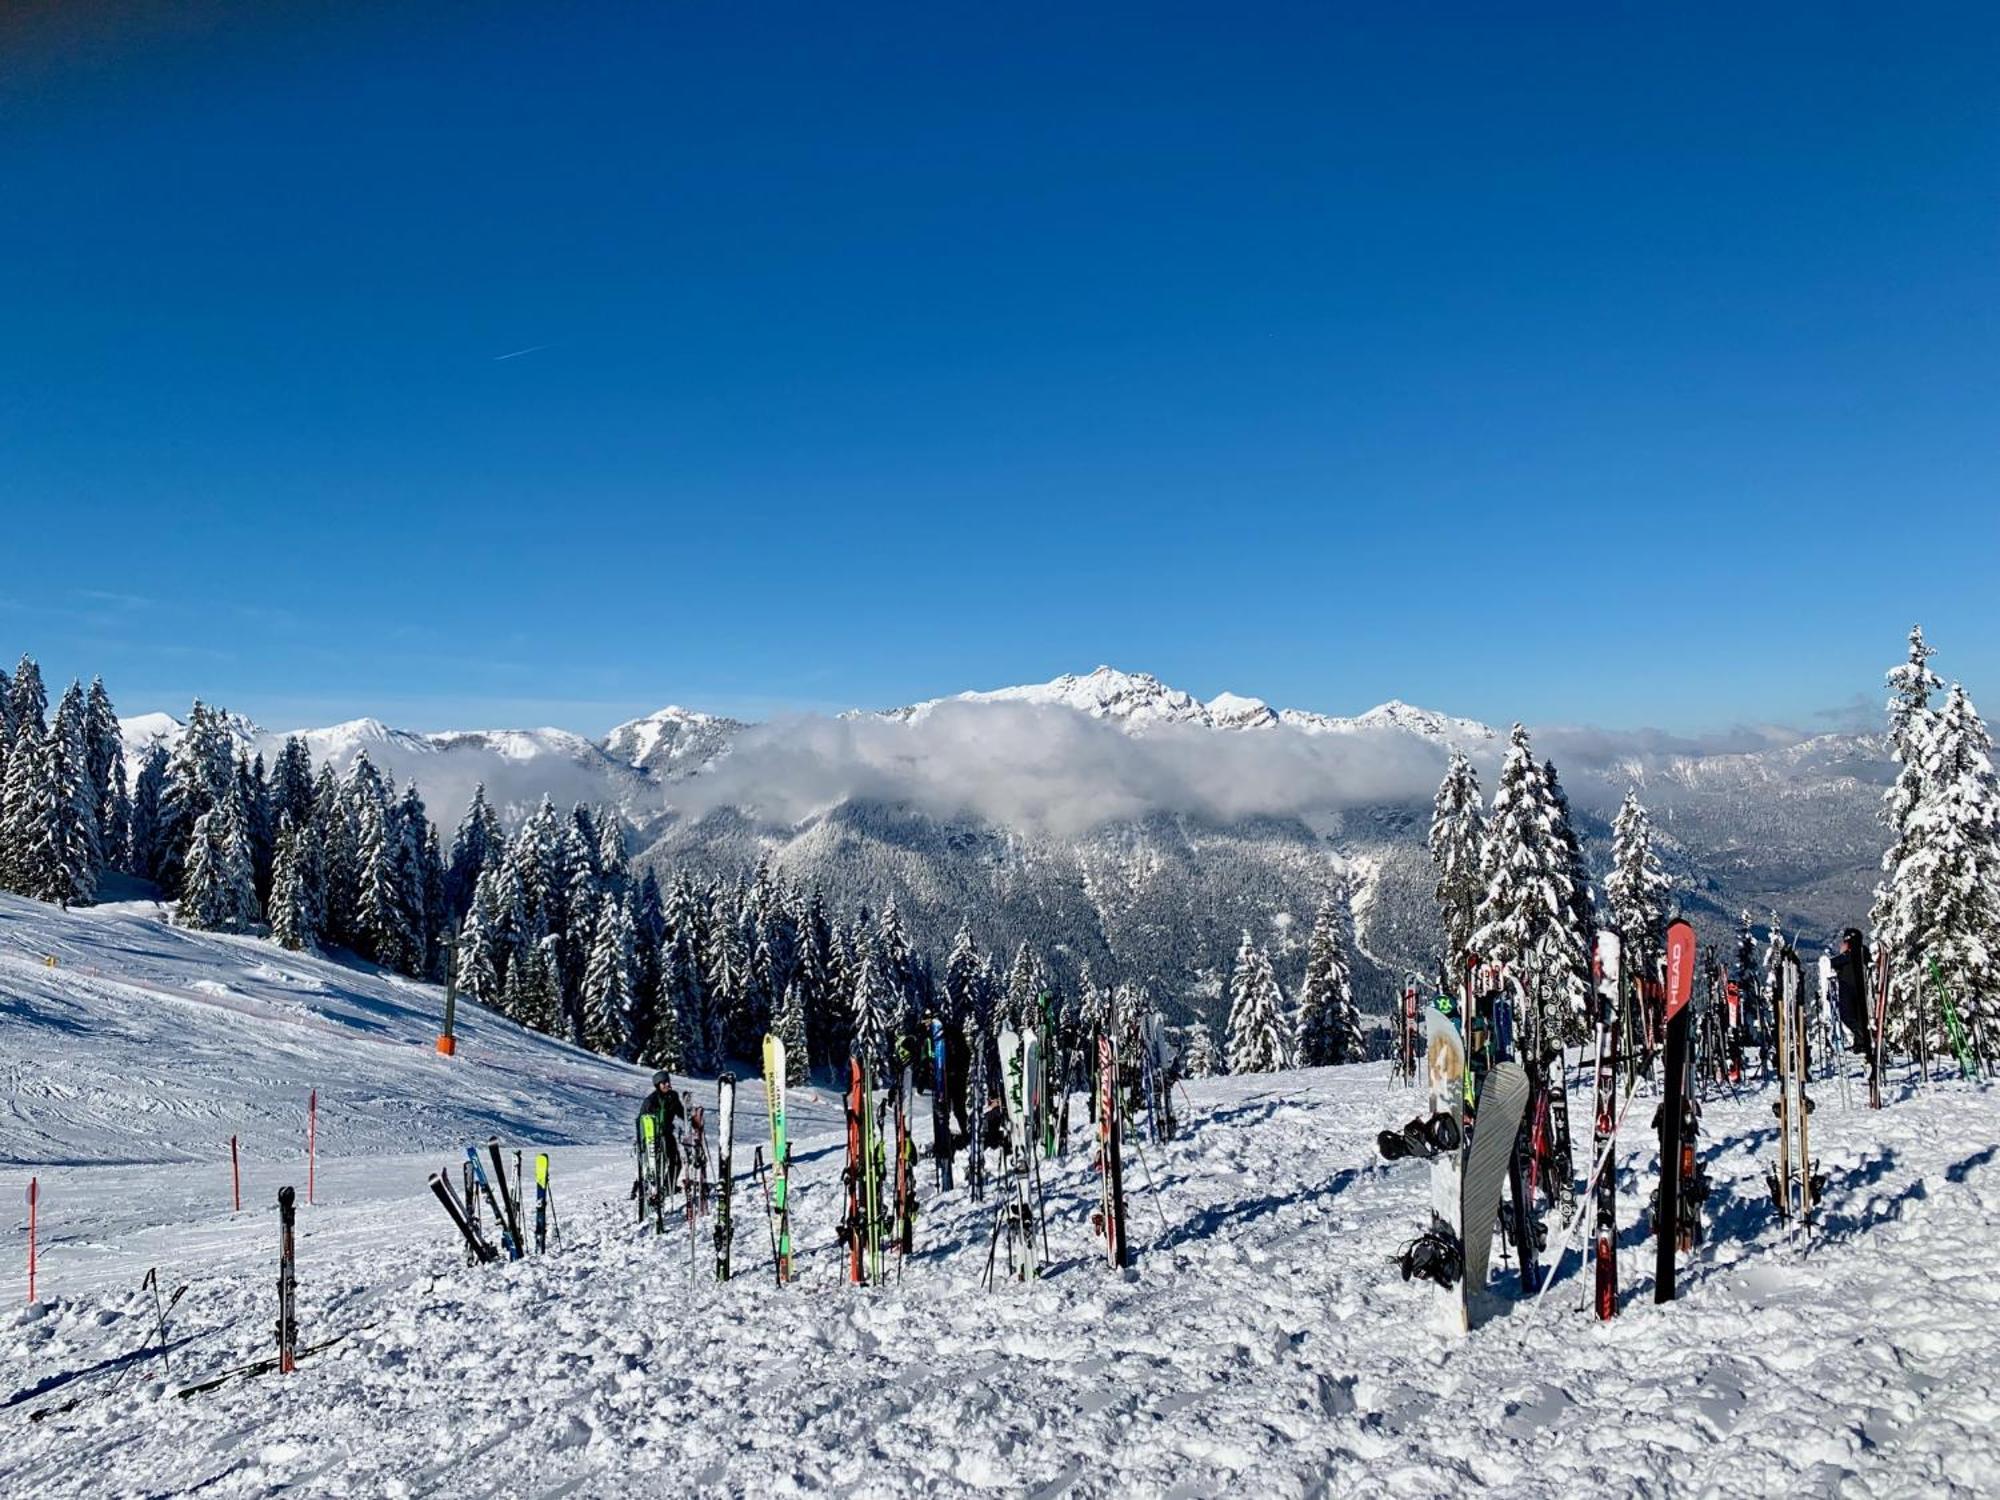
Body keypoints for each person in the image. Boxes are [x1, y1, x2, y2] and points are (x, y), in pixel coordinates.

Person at [634, 1070, 685, 1199]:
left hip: (667, 1134)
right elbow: (642, 1121)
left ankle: (669, 1187)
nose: (667, 1085)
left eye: (668, 1082)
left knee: (676, 1162)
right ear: (657, 1085)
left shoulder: (673, 1097)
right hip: (654, 1137)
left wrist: (691, 1119)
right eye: (663, 1083)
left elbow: (681, 1112)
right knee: (655, 1165)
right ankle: (647, 1188)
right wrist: (642, 1140)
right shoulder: (650, 1101)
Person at [1829, 928, 1874, 1055]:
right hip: (1858, 989)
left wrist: (1833, 961)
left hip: (1848, 988)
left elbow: (1834, 962)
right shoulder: (1862, 951)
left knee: (1848, 1015)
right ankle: (1860, 1042)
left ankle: (1863, 1039)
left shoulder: (1852, 953)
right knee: (1858, 1016)